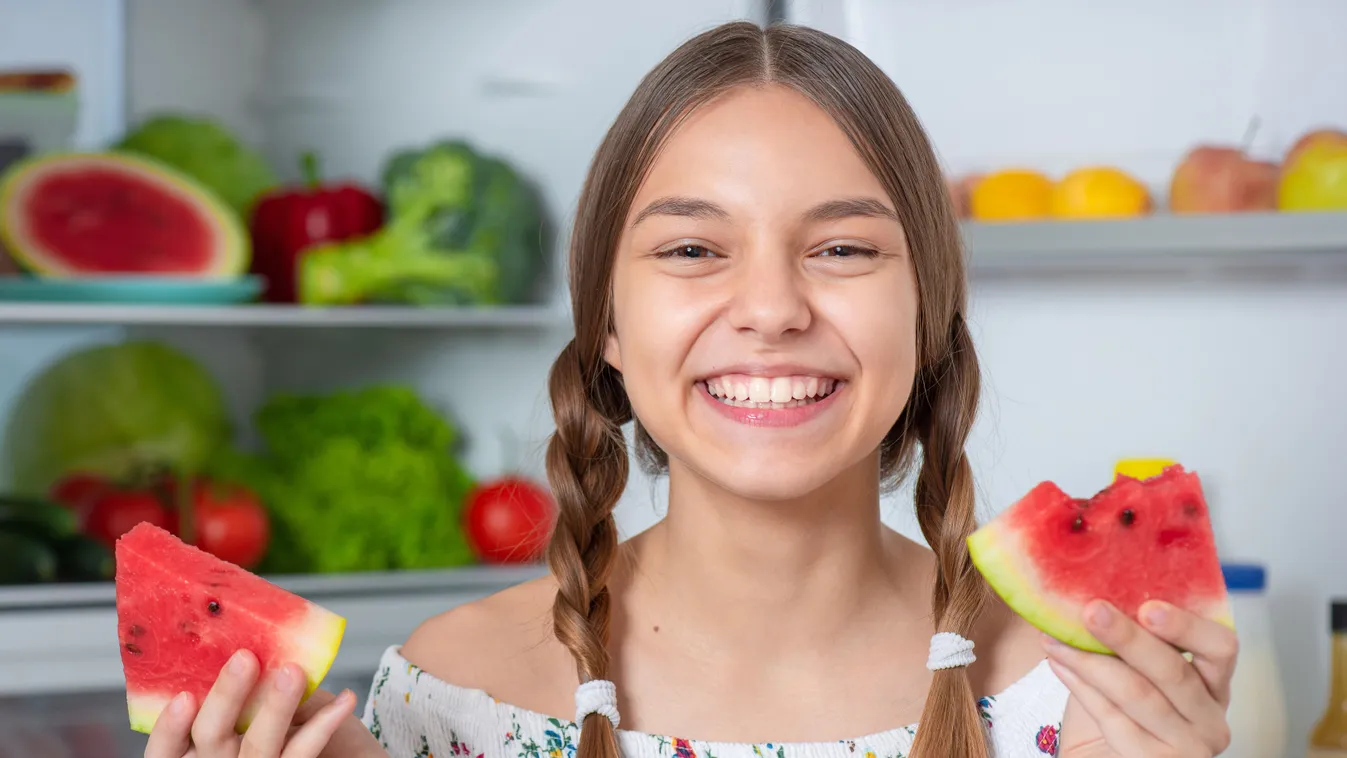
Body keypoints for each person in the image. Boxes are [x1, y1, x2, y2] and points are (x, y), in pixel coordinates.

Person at [143, 20, 1237, 758]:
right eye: (691, 251)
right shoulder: (441, 696)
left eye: (845, 250)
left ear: (931, 311)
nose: (770, 308)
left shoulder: (1087, 695)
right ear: (609, 323)